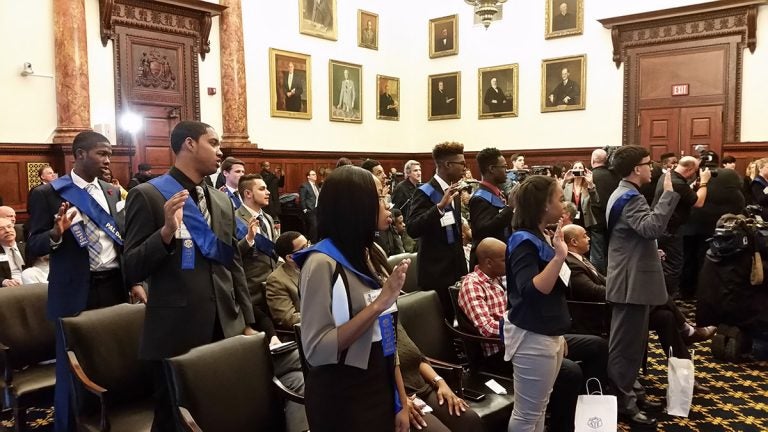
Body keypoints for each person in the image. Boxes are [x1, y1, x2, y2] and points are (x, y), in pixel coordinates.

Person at [122, 121, 258, 431]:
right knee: (174, 420)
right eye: (213, 142)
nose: (220, 150)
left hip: (224, 325)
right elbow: (131, 267)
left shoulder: (222, 200)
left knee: (220, 415)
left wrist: (246, 321)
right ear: (189, 144)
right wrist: (166, 232)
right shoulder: (147, 195)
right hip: (176, 331)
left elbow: (232, 263)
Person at [27, 131, 130, 432]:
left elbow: (120, 242)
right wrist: (56, 234)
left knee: (112, 362)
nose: (108, 160)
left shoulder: (112, 192)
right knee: (72, 369)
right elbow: (32, 245)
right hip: (74, 292)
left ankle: (107, 422)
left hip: (113, 286)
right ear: (80, 154)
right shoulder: (49, 193)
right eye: (102, 153)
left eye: (109, 153)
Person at [294, 166, 410, 432]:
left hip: (379, 381)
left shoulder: (369, 253)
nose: (387, 204)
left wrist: (401, 399)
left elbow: (387, 336)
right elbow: (317, 350)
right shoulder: (321, 263)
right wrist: (379, 303)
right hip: (342, 394)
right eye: (381, 197)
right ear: (358, 205)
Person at [563, 224, 714, 392]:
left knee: (665, 317)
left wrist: (624, 286)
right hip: (602, 315)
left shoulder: (581, 259)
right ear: (574, 241)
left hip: (613, 308)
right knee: (654, 296)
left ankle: (684, 377)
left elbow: (605, 281)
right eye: (585, 236)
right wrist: (625, 291)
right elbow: (593, 292)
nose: (589, 238)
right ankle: (686, 330)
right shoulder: (570, 263)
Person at [605, 145, 679, 427]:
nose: (652, 168)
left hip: (630, 277)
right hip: (630, 282)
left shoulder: (622, 192)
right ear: (637, 169)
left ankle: (631, 391)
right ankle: (624, 402)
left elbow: (636, 236)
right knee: (626, 347)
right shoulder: (630, 197)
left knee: (632, 345)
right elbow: (651, 228)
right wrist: (668, 194)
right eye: (649, 164)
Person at [501, 175, 573, 431]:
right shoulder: (522, 240)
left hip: (547, 332)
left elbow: (554, 291)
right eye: (560, 199)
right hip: (532, 335)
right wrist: (559, 258)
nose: (564, 204)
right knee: (526, 414)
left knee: (539, 408)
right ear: (544, 205)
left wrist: (559, 335)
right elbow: (530, 290)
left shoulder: (541, 234)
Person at [407, 142, 468, 322]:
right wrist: (439, 208)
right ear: (447, 164)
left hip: (456, 268)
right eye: (461, 164)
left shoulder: (453, 190)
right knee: (442, 324)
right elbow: (412, 228)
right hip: (435, 271)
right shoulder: (424, 192)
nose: (465, 168)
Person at [397, 324, 482, 432]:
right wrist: (400, 401)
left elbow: (417, 358)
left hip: (422, 389)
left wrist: (440, 382)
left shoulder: (390, 316)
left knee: (470, 420)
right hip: (397, 398)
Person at [652, 156, 711, 298]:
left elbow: (683, 193)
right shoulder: (678, 182)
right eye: (695, 171)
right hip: (670, 230)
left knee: (666, 266)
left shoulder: (669, 176)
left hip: (663, 228)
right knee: (673, 267)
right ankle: (668, 301)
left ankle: (665, 300)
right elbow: (698, 202)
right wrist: (704, 182)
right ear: (690, 169)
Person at [236, 174, 279, 316]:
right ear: (248, 193)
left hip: (274, 288)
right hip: (251, 291)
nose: (268, 192)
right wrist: (249, 239)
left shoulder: (268, 218)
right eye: (262, 189)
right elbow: (231, 255)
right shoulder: (234, 218)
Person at [468, 147, 513, 267]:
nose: (506, 171)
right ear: (492, 169)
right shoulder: (479, 198)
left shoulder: (497, 193)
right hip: (487, 263)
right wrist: (510, 208)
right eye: (503, 167)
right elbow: (483, 230)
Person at [266, 231, 307, 330]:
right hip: (306, 332)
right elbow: (288, 318)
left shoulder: (317, 266)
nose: (310, 249)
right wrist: (322, 316)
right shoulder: (276, 280)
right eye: (304, 248)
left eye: (308, 244)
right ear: (290, 257)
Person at [588, 148, 618, 274]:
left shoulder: (589, 177)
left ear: (593, 159)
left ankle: (600, 280)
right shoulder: (616, 176)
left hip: (595, 220)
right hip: (614, 218)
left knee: (597, 255)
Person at [562, 161, 598, 228]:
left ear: (584, 171)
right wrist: (564, 181)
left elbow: (595, 201)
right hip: (569, 221)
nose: (578, 169)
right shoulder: (567, 186)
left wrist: (590, 184)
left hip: (584, 221)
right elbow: (559, 199)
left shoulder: (589, 186)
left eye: (580, 167)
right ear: (571, 171)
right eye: (575, 168)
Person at [0, 217, 25, 287]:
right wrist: (4, 281)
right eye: (1, 229)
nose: (7, 231)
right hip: (11, 288)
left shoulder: (28, 247)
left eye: (9, 227)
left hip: (33, 282)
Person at [299, 170, 320, 242]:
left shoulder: (316, 185)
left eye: (315, 174)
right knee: (313, 226)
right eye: (313, 174)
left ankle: (316, 242)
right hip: (310, 209)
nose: (315, 175)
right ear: (308, 176)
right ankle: (311, 242)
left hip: (317, 209)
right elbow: (302, 198)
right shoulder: (304, 186)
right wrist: (305, 209)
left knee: (317, 226)